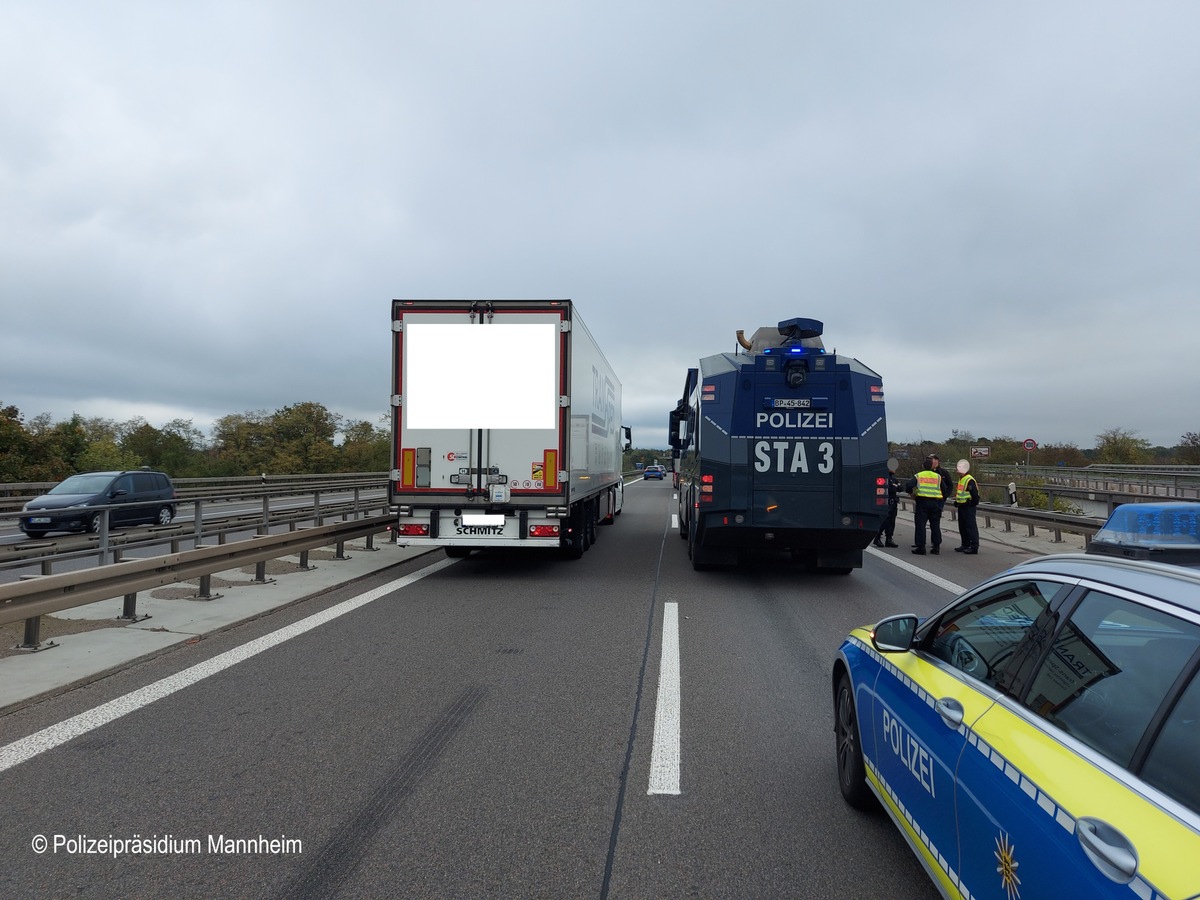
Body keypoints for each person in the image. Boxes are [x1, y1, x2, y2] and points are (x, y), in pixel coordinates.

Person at [905, 456, 946, 555]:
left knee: (921, 525)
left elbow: (908, 485)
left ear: (923, 466)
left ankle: (921, 547)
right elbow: (944, 490)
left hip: (922, 502)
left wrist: (912, 493)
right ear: (932, 466)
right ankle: (936, 547)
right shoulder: (938, 476)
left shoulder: (919, 475)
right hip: (935, 503)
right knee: (935, 526)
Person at [954, 459, 981, 554]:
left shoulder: (969, 480)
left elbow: (975, 496)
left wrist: (969, 503)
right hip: (962, 506)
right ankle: (965, 544)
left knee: (970, 526)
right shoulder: (961, 479)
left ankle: (974, 546)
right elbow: (961, 493)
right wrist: (958, 502)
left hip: (968, 507)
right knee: (962, 526)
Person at [873, 468, 901, 548]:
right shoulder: (883, 478)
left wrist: (895, 486)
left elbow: (900, 488)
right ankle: (877, 537)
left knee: (891, 521)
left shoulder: (894, 479)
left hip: (893, 502)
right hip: (885, 502)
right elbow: (890, 488)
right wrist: (895, 486)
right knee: (885, 520)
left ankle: (889, 539)